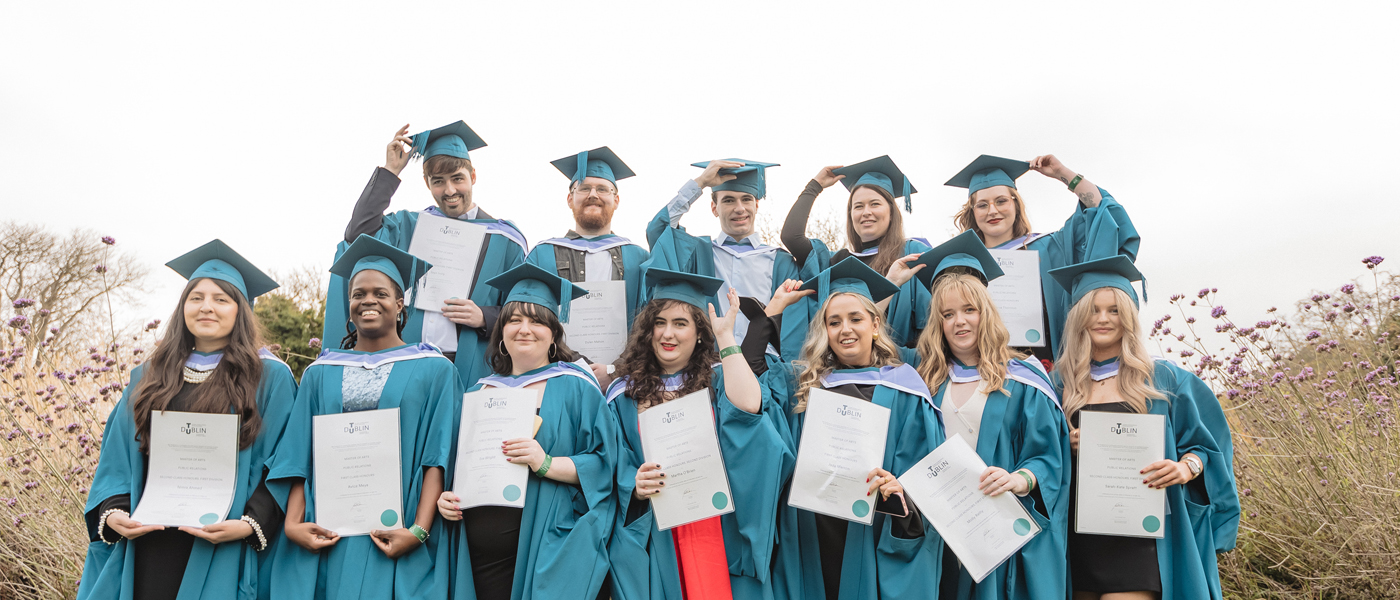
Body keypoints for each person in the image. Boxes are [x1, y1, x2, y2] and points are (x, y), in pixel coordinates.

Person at [78, 240, 298, 600]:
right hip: (150, 538)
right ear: (182, 308)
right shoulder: (148, 375)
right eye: (195, 298)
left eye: (221, 299)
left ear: (240, 310)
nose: (206, 307)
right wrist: (115, 510)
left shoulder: (269, 378)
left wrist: (248, 524)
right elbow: (117, 454)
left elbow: (286, 458)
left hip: (222, 540)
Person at [268, 235, 462, 600]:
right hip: (327, 532)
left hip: (399, 529)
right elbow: (298, 455)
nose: (368, 301)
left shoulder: (434, 368)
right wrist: (293, 524)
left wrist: (419, 531)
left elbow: (436, 457)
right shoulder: (319, 372)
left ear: (401, 303)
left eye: (380, 293)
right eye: (358, 294)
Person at [749, 258, 944, 600]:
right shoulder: (805, 384)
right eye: (834, 322)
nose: (845, 329)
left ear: (874, 324)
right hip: (814, 527)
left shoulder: (905, 386)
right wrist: (775, 307)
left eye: (856, 319)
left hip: (876, 526)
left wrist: (900, 488)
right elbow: (751, 375)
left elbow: (928, 467)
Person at [1047, 256, 1239, 600]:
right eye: (1093, 309)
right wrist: (1067, 443)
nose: (1103, 319)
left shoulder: (1164, 379)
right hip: (1076, 537)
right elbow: (1038, 451)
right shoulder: (1060, 383)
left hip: (1140, 536)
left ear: (1130, 316)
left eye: (1114, 310)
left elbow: (1209, 448)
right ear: (1078, 317)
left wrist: (1184, 468)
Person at [433, 263, 619, 600]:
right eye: (514, 320)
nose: (524, 329)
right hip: (480, 557)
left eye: (537, 321)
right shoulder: (476, 393)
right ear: (501, 331)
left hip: (547, 547)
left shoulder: (577, 388)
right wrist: (446, 499)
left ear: (553, 333)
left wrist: (545, 462)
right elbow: (458, 467)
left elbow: (606, 465)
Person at [606, 268, 792, 600]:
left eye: (681, 324)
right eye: (660, 323)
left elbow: (750, 410)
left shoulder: (718, 380)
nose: (668, 333)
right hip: (657, 528)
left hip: (716, 522)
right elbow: (610, 460)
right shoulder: (624, 394)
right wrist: (632, 485)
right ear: (648, 331)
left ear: (698, 333)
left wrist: (726, 337)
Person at [909, 245, 1070, 600]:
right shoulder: (926, 380)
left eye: (970, 310)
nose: (960, 321)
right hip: (943, 530)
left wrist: (1018, 479)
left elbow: (1049, 458)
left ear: (987, 313)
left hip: (999, 529)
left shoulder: (1023, 378)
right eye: (948, 314)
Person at [326, 121, 528, 388]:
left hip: (470, 361)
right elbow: (358, 234)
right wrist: (390, 171)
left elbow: (524, 308)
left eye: (458, 178)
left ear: (473, 176)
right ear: (426, 182)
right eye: (438, 182)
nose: (450, 191)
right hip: (407, 357)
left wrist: (484, 317)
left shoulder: (506, 240)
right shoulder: (409, 226)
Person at [945, 154, 1139, 365]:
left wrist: (1062, 173)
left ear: (1016, 204)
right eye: (982, 205)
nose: (993, 211)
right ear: (973, 212)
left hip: (1047, 370)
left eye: (1001, 201)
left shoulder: (1050, 248)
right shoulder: (962, 263)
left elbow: (1099, 211)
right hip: (982, 371)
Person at [644, 159, 807, 361]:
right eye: (728, 200)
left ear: (756, 205)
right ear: (714, 208)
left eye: (746, 199)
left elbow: (793, 329)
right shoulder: (698, 253)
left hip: (764, 368)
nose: (739, 208)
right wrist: (700, 183)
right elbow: (658, 232)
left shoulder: (781, 261)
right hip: (708, 367)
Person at [527, 147, 650, 388]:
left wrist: (616, 370)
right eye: (584, 188)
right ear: (570, 199)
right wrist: (575, 365)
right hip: (557, 378)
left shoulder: (640, 258)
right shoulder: (542, 255)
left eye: (602, 189)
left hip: (625, 383)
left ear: (616, 200)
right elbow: (529, 319)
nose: (593, 194)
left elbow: (649, 326)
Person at [781, 156, 931, 349]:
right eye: (858, 206)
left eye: (875, 204)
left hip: (899, 366)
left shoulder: (911, 253)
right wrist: (815, 186)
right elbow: (791, 237)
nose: (866, 212)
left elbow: (929, 322)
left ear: (892, 211)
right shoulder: (837, 262)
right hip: (842, 370)